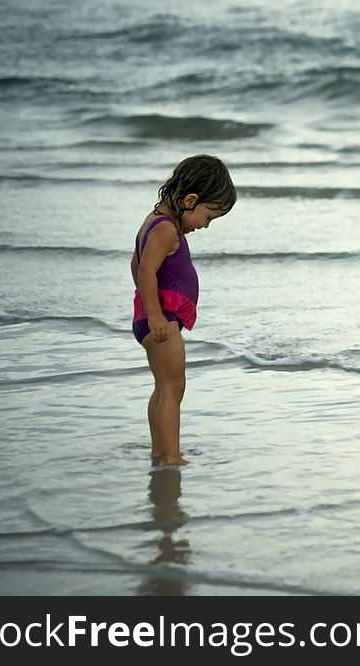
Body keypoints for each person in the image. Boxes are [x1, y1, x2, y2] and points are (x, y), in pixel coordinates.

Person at [131, 154, 236, 466]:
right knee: (174, 389)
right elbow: (146, 272)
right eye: (208, 217)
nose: (205, 226)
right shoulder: (165, 230)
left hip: (155, 319)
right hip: (162, 321)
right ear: (190, 200)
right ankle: (172, 457)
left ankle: (158, 450)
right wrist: (155, 314)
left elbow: (135, 265)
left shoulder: (153, 221)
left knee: (162, 388)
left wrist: (146, 309)